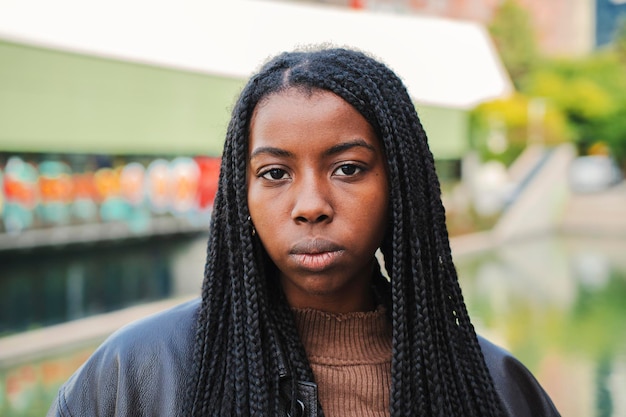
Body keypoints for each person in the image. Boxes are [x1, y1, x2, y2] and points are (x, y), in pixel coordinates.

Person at [47, 46, 560, 417]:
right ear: (239, 195)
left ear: (400, 185)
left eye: (348, 169)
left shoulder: (499, 389)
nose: (310, 206)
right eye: (275, 174)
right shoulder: (135, 374)